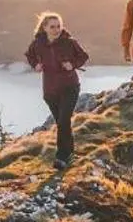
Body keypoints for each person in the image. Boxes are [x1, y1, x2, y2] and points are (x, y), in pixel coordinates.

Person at [24, 10, 89, 167]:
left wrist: (72, 65)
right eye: (52, 27)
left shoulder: (69, 42)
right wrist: (36, 65)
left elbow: (83, 56)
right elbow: (29, 55)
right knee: (62, 123)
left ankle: (61, 157)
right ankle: (70, 151)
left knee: (63, 120)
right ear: (44, 28)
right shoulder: (38, 44)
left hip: (70, 87)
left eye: (59, 26)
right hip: (50, 91)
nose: (57, 30)